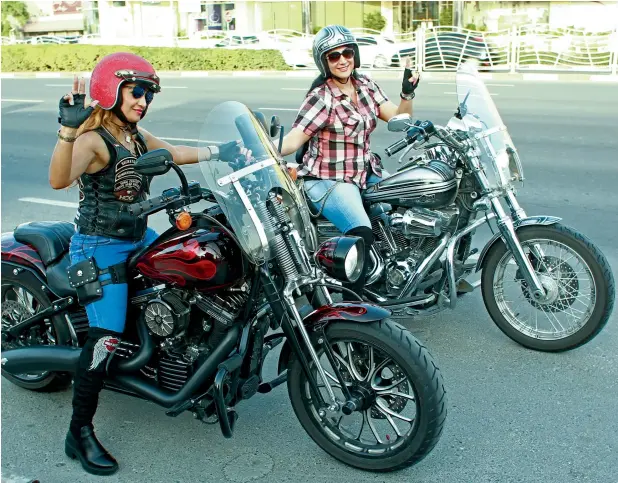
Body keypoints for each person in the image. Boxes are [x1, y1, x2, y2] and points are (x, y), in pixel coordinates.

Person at [50, 52, 240, 476]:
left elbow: (173, 153)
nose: (143, 100)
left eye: (148, 93)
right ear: (110, 91)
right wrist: (66, 131)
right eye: (136, 91)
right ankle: (78, 432)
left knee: (198, 260)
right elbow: (59, 180)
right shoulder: (93, 139)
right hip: (99, 249)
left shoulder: (135, 137)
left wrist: (223, 151)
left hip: (137, 238)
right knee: (105, 336)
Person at [279, 25, 420, 296]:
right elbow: (295, 139)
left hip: (364, 171)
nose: (342, 60)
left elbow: (399, 119)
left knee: (409, 203)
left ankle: (395, 273)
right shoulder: (321, 97)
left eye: (347, 53)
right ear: (324, 62)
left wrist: (407, 94)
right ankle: (352, 308)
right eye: (334, 56)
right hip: (328, 179)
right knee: (360, 234)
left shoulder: (365, 84)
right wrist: (262, 150)